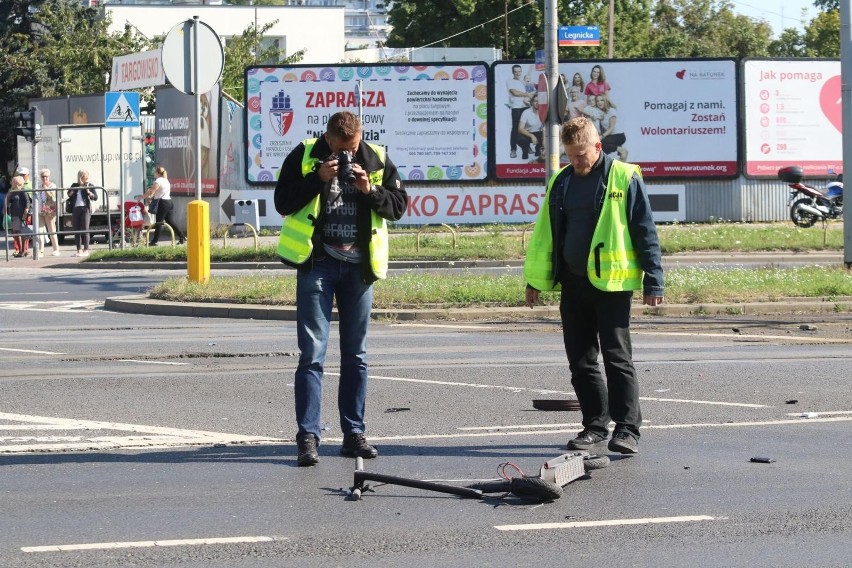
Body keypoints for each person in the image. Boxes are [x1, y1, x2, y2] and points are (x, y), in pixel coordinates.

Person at [274, 111, 407, 467]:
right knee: (312, 355)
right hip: (318, 264)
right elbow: (282, 203)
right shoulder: (304, 154)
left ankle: (353, 433)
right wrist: (317, 179)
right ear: (329, 139)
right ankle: (308, 436)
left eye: (355, 145)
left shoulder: (376, 157)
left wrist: (369, 190)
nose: (350, 153)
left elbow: (398, 208)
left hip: (359, 269)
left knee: (356, 355)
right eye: (343, 148)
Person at [523, 117, 664, 455]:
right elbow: (545, 235)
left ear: (598, 147)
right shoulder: (561, 181)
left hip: (612, 285)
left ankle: (627, 429)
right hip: (574, 283)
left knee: (617, 359)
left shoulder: (624, 177)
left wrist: (654, 281)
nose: (577, 162)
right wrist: (534, 281)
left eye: (581, 155)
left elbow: (645, 230)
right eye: (570, 156)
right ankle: (594, 426)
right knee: (581, 361)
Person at [143, 165, 185, 246]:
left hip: (162, 203)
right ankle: (182, 237)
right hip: (169, 202)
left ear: (157, 173)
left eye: (155, 172)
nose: (154, 173)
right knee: (170, 221)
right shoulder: (166, 181)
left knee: (159, 222)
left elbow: (151, 191)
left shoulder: (158, 180)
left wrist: (142, 197)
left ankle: (154, 241)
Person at [67, 169, 97, 257]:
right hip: (75, 208)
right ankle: (79, 249)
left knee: (85, 229)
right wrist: (78, 186)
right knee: (76, 230)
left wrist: (88, 192)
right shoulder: (74, 185)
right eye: (83, 176)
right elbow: (69, 194)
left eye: (86, 176)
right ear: (80, 177)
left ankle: (86, 249)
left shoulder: (90, 185)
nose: (85, 177)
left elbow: (95, 197)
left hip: (86, 208)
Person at [595, 94, 629, 161]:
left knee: (600, 142)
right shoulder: (601, 113)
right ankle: (621, 154)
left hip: (619, 136)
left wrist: (601, 136)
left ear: (605, 101)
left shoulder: (611, 111)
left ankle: (621, 150)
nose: (599, 102)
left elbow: (611, 128)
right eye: (597, 101)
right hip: (611, 137)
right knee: (599, 148)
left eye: (602, 100)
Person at [507, 64, 529, 160]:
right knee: (515, 129)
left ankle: (526, 147)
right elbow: (514, 93)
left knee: (526, 129)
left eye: (519, 71)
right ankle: (513, 149)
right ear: (513, 72)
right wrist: (527, 94)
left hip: (525, 107)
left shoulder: (523, 82)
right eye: (516, 71)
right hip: (516, 108)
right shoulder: (510, 81)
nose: (517, 73)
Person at [5, 175, 31, 257]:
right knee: (16, 233)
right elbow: (8, 201)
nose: (12, 183)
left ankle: (21, 251)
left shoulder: (22, 191)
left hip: (21, 215)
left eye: (13, 182)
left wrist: (26, 210)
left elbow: (27, 202)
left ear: (17, 183)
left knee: (19, 233)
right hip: (14, 214)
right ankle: (21, 250)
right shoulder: (12, 191)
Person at [37, 168, 60, 256]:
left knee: (51, 230)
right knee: (40, 230)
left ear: (49, 177)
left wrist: (46, 189)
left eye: (46, 177)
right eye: (43, 177)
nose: (44, 179)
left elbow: (52, 198)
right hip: (40, 210)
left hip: (49, 210)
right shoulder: (39, 186)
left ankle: (56, 249)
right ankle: (41, 250)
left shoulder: (52, 185)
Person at [516, 96, 543, 161]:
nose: (537, 103)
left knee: (547, 135)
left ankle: (538, 149)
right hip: (528, 133)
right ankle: (525, 149)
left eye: (539, 101)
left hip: (539, 133)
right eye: (535, 101)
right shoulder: (526, 112)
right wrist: (532, 136)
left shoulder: (543, 111)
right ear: (531, 103)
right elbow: (520, 129)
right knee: (519, 138)